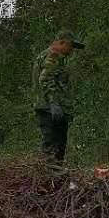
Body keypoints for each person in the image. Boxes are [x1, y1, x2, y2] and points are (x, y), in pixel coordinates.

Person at [32, 31, 85, 161]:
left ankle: (52, 171)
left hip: (46, 107)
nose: (72, 50)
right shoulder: (53, 56)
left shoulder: (44, 55)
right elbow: (45, 79)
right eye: (70, 46)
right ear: (61, 42)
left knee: (54, 146)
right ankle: (49, 172)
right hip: (51, 109)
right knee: (53, 147)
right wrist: (54, 103)